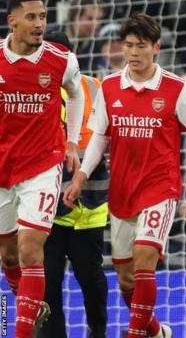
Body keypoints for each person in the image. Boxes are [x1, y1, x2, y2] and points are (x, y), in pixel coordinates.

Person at [63, 13, 186, 338]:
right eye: (129, 45)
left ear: (156, 48)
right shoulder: (109, 86)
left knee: (145, 259)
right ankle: (155, 331)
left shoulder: (176, 89)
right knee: (126, 280)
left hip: (160, 188)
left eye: (141, 46)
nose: (133, 52)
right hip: (122, 192)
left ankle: (134, 334)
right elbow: (100, 137)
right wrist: (80, 177)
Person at [0, 0, 85, 337]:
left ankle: (21, 333)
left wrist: (72, 142)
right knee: (8, 256)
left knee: (30, 248)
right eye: (32, 17)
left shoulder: (61, 59)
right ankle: (27, 301)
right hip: (4, 166)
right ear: (13, 21)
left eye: (44, 17)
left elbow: (77, 93)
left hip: (43, 165)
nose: (39, 24)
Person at [38, 31, 108, 338]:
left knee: (90, 277)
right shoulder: (35, 90)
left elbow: (111, 137)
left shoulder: (96, 87)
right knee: (47, 278)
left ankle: (98, 331)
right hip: (47, 206)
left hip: (89, 202)